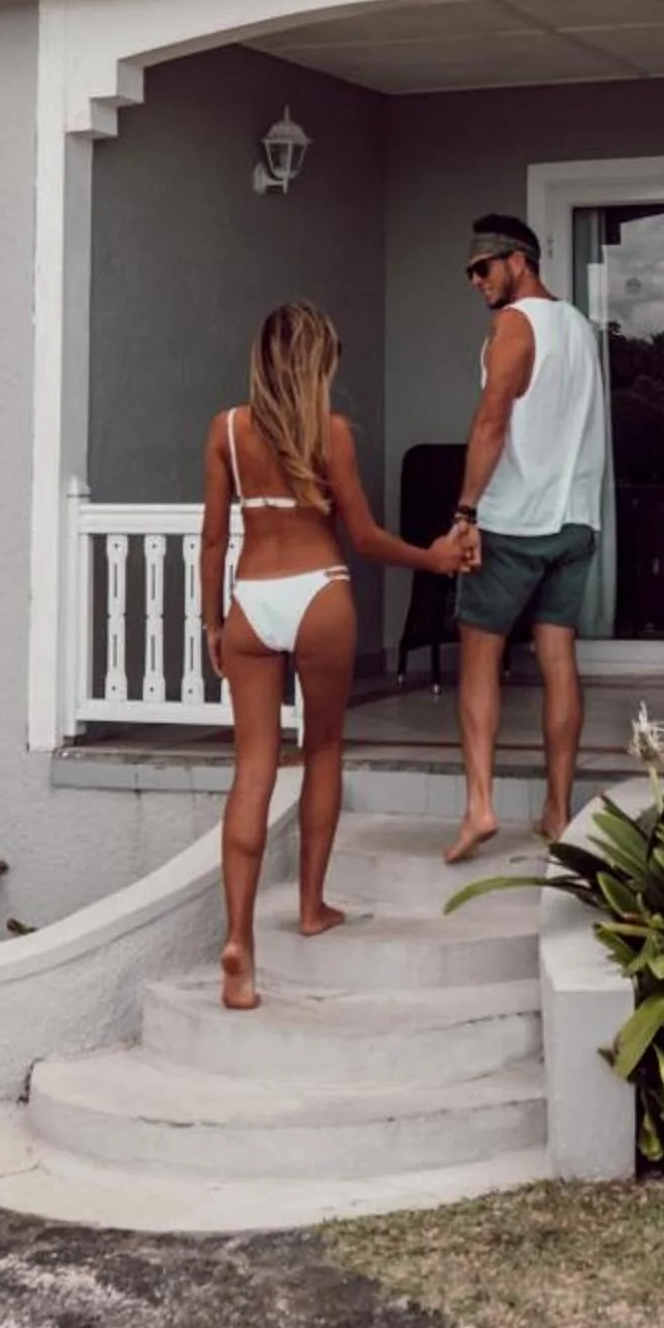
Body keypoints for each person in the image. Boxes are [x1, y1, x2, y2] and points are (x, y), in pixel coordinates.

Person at [202, 301, 472, 1006]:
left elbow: (210, 542)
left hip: (251, 602)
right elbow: (368, 538)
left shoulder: (227, 430)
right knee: (322, 751)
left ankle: (239, 941)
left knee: (252, 770)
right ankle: (313, 906)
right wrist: (436, 560)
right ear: (318, 363)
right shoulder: (333, 433)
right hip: (319, 595)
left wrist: (211, 622)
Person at [445, 213, 607, 864]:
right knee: (558, 659)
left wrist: (465, 511)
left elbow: (491, 424)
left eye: (483, 267)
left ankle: (480, 805)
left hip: (514, 521)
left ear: (519, 259)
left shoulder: (516, 325)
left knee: (479, 660)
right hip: (574, 518)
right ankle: (557, 808)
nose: (476, 280)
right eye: (470, 272)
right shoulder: (578, 327)